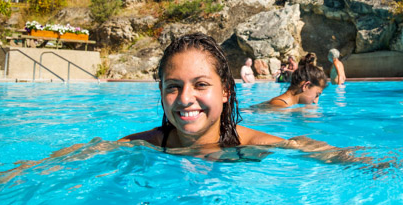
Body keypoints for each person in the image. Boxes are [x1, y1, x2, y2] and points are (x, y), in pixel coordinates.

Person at [120, 33, 283, 150]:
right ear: (161, 91)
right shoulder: (136, 146)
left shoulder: (263, 147)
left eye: (201, 84)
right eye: (173, 87)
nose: (184, 99)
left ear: (225, 91)